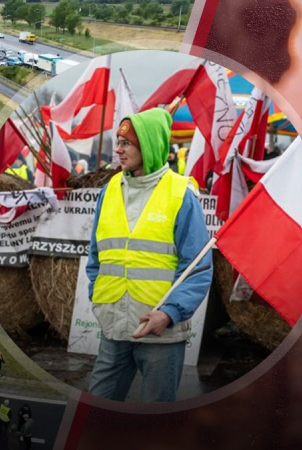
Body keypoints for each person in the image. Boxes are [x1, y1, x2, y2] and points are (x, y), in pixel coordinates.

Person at [85, 109, 213, 403]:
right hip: (113, 329)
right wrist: (99, 297)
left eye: (126, 142)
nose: (118, 149)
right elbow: (96, 257)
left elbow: (198, 266)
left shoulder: (181, 194)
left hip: (161, 333)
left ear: (150, 145)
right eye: (118, 141)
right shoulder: (109, 191)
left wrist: (169, 314)